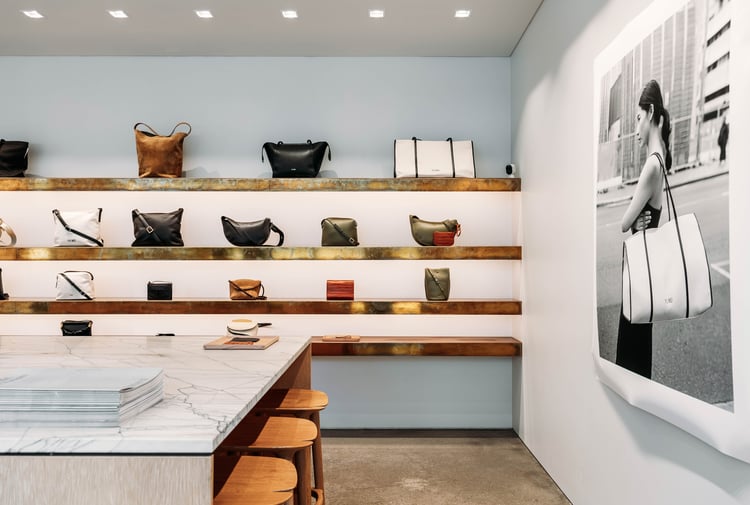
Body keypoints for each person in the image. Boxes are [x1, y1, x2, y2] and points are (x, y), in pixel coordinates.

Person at [615, 79, 672, 379]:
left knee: (630, 356)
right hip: (645, 269)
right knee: (638, 352)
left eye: (638, 119)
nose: (636, 127)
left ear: (650, 113)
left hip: (639, 272)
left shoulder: (651, 164)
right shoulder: (660, 158)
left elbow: (625, 222)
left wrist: (634, 219)